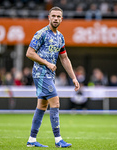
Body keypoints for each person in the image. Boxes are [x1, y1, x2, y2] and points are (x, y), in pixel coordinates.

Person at [26, 6, 80, 148]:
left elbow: (64, 59)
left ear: (62, 19)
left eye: (58, 16)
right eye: (53, 16)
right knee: (55, 103)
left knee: (42, 106)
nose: (56, 18)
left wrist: (74, 78)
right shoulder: (41, 34)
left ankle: (31, 140)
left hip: (49, 74)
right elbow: (29, 53)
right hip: (41, 74)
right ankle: (58, 140)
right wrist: (47, 63)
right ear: (48, 17)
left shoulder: (60, 37)